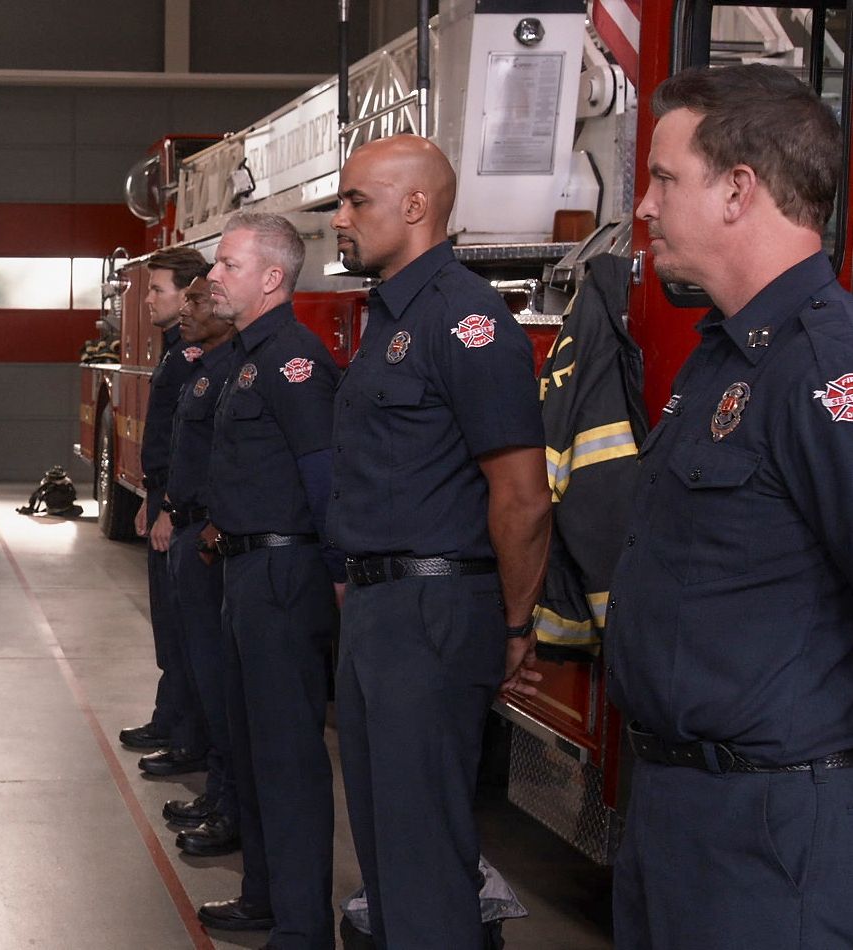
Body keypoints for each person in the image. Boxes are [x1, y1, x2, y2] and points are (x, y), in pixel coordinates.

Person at [607, 64, 853, 950]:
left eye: (665, 179)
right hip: (676, 813)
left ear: (738, 190)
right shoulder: (724, 357)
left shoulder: (825, 368)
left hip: (771, 832)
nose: (643, 205)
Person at [326, 135, 551, 949]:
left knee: (422, 855)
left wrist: (516, 624)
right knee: (389, 852)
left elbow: (521, 495)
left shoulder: (465, 318)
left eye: (357, 201)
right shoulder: (394, 313)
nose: (340, 220)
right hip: (381, 611)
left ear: (416, 206)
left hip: (433, 609)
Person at [194, 214, 342, 945]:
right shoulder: (248, 356)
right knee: (251, 749)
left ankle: (303, 927)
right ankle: (264, 897)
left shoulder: (294, 361)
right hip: (246, 571)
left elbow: (323, 476)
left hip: (285, 576)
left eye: (227, 263)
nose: (213, 275)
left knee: (286, 758)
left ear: (271, 278)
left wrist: (340, 574)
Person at [152, 277, 241, 858]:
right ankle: (219, 790)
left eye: (199, 299)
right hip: (190, 529)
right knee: (205, 673)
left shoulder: (241, 368)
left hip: (214, 542)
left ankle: (230, 802)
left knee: (224, 686)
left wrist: (209, 526)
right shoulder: (204, 365)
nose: (187, 308)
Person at [121, 248, 214, 802]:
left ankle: (186, 734)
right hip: (162, 497)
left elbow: (191, 446)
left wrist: (169, 506)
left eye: (158, 289)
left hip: (178, 505)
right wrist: (148, 497)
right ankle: (169, 716)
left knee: (183, 626)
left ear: (188, 292)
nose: (149, 298)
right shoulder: (174, 353)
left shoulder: (194, 357)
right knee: (167, 623)